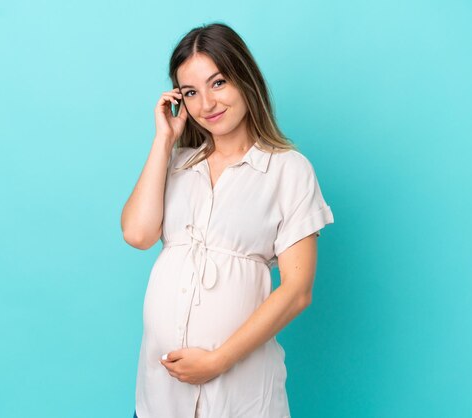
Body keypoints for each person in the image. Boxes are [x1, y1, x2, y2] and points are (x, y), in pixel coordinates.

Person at [121, 22, 334, 418]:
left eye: (218, 83)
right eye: (190, 92)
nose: (206, 104)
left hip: (240, 399)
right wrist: (164, 141)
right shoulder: (177, 165)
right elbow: (137, 233)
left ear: (244, 78)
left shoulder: (289, 170)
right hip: (160, 399)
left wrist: (217, 361)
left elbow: (297, 291)